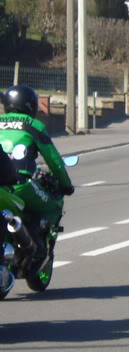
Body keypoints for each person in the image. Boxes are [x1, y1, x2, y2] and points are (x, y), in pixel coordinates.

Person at [0, 85, 74, 269]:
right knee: (52, 205)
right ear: (30, 106)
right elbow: (54, 160)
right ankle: (37, 248)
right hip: (19, 184)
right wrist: (66, 185)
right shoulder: (33, 126)